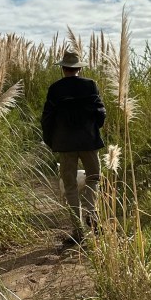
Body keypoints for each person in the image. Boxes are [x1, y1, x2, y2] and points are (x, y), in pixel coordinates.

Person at [41, 49, 106, 245]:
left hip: (65, 144)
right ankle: (91, 212)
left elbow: (47, 118)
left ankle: (78, 232)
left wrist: (52, 140)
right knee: (94, 178)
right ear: (78, 68)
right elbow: (100, 112)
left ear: (63, 69)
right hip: (88, 141)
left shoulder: (55, 89)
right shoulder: (90, 85)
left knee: (69, 186)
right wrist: (95, 128)